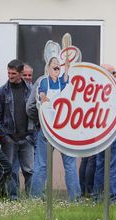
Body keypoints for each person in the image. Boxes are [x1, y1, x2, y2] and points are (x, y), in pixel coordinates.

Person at [35, 57, 81, 201]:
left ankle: (74, 198)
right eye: (53, 66)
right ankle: (35, 197)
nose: (56, 68)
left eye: (58, 67)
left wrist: (67, 67)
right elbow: (41, 92)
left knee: (70, 165)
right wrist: (42, 97)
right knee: (42, 164)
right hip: (47, 128)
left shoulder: (62, 81)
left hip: (63, 128)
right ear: (48, 68)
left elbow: (66, 78)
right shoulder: (44, 81)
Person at [0, 59, 35, 200]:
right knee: (11, 170)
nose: (10, 76)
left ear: (21, 73)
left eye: (13, 73)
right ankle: (13, 198)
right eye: (8, 73)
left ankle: (32, 198)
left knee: (29, 170)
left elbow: (37, 113)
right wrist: (4, 137)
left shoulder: (31, 90)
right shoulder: (2, 92)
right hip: (9, 138)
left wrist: (32, 135)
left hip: (27, 137)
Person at [92, 64, 116, 201]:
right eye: (114, 73)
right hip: (114, 132)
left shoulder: (93, 89)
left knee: (100, 165)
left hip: (100, 132)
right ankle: (112, 196)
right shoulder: (114, 89)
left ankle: (97, 195)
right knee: (113, 167)